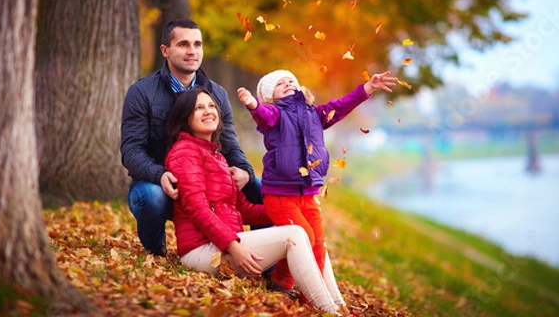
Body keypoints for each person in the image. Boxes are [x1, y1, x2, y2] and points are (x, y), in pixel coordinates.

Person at [165, 87, 347, 314]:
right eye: (199, 108)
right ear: (185, 117)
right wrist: (233, 246)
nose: (208, 111)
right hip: (202, 252)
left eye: (211, 106)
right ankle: (327, 310)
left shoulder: (218, 156)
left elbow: (241, 208)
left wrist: (290, 208)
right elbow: (198, 209)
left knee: (311, 231)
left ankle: (340, 306)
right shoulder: (184, 152)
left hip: (226, 245)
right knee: (297, 234)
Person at [236, 69, 396, 293]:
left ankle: (301, 289)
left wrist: (367, 88)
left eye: (291, 80)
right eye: (280, 84)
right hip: (280, 195)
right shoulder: (274, 114)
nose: (288, 83)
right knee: (304, 237)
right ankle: (288, 286)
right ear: (271, 96)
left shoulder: (315, 113)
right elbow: (263, 114)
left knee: (318, 245)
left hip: (308, 194)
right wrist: (253, 104)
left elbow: (340, 107)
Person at [120, 18, 263, 256]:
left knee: (260, 188)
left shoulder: (216, 93)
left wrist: (244, 170)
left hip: (208, 183)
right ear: (165, 50)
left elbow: (230, 143)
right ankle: (156, 250)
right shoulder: (142, 92)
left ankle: (263, 263)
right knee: (151, 197)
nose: (192, 51)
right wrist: (160, 174)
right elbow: (131, 151)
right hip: (163, 182)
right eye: (183, 44)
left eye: (197, 44)